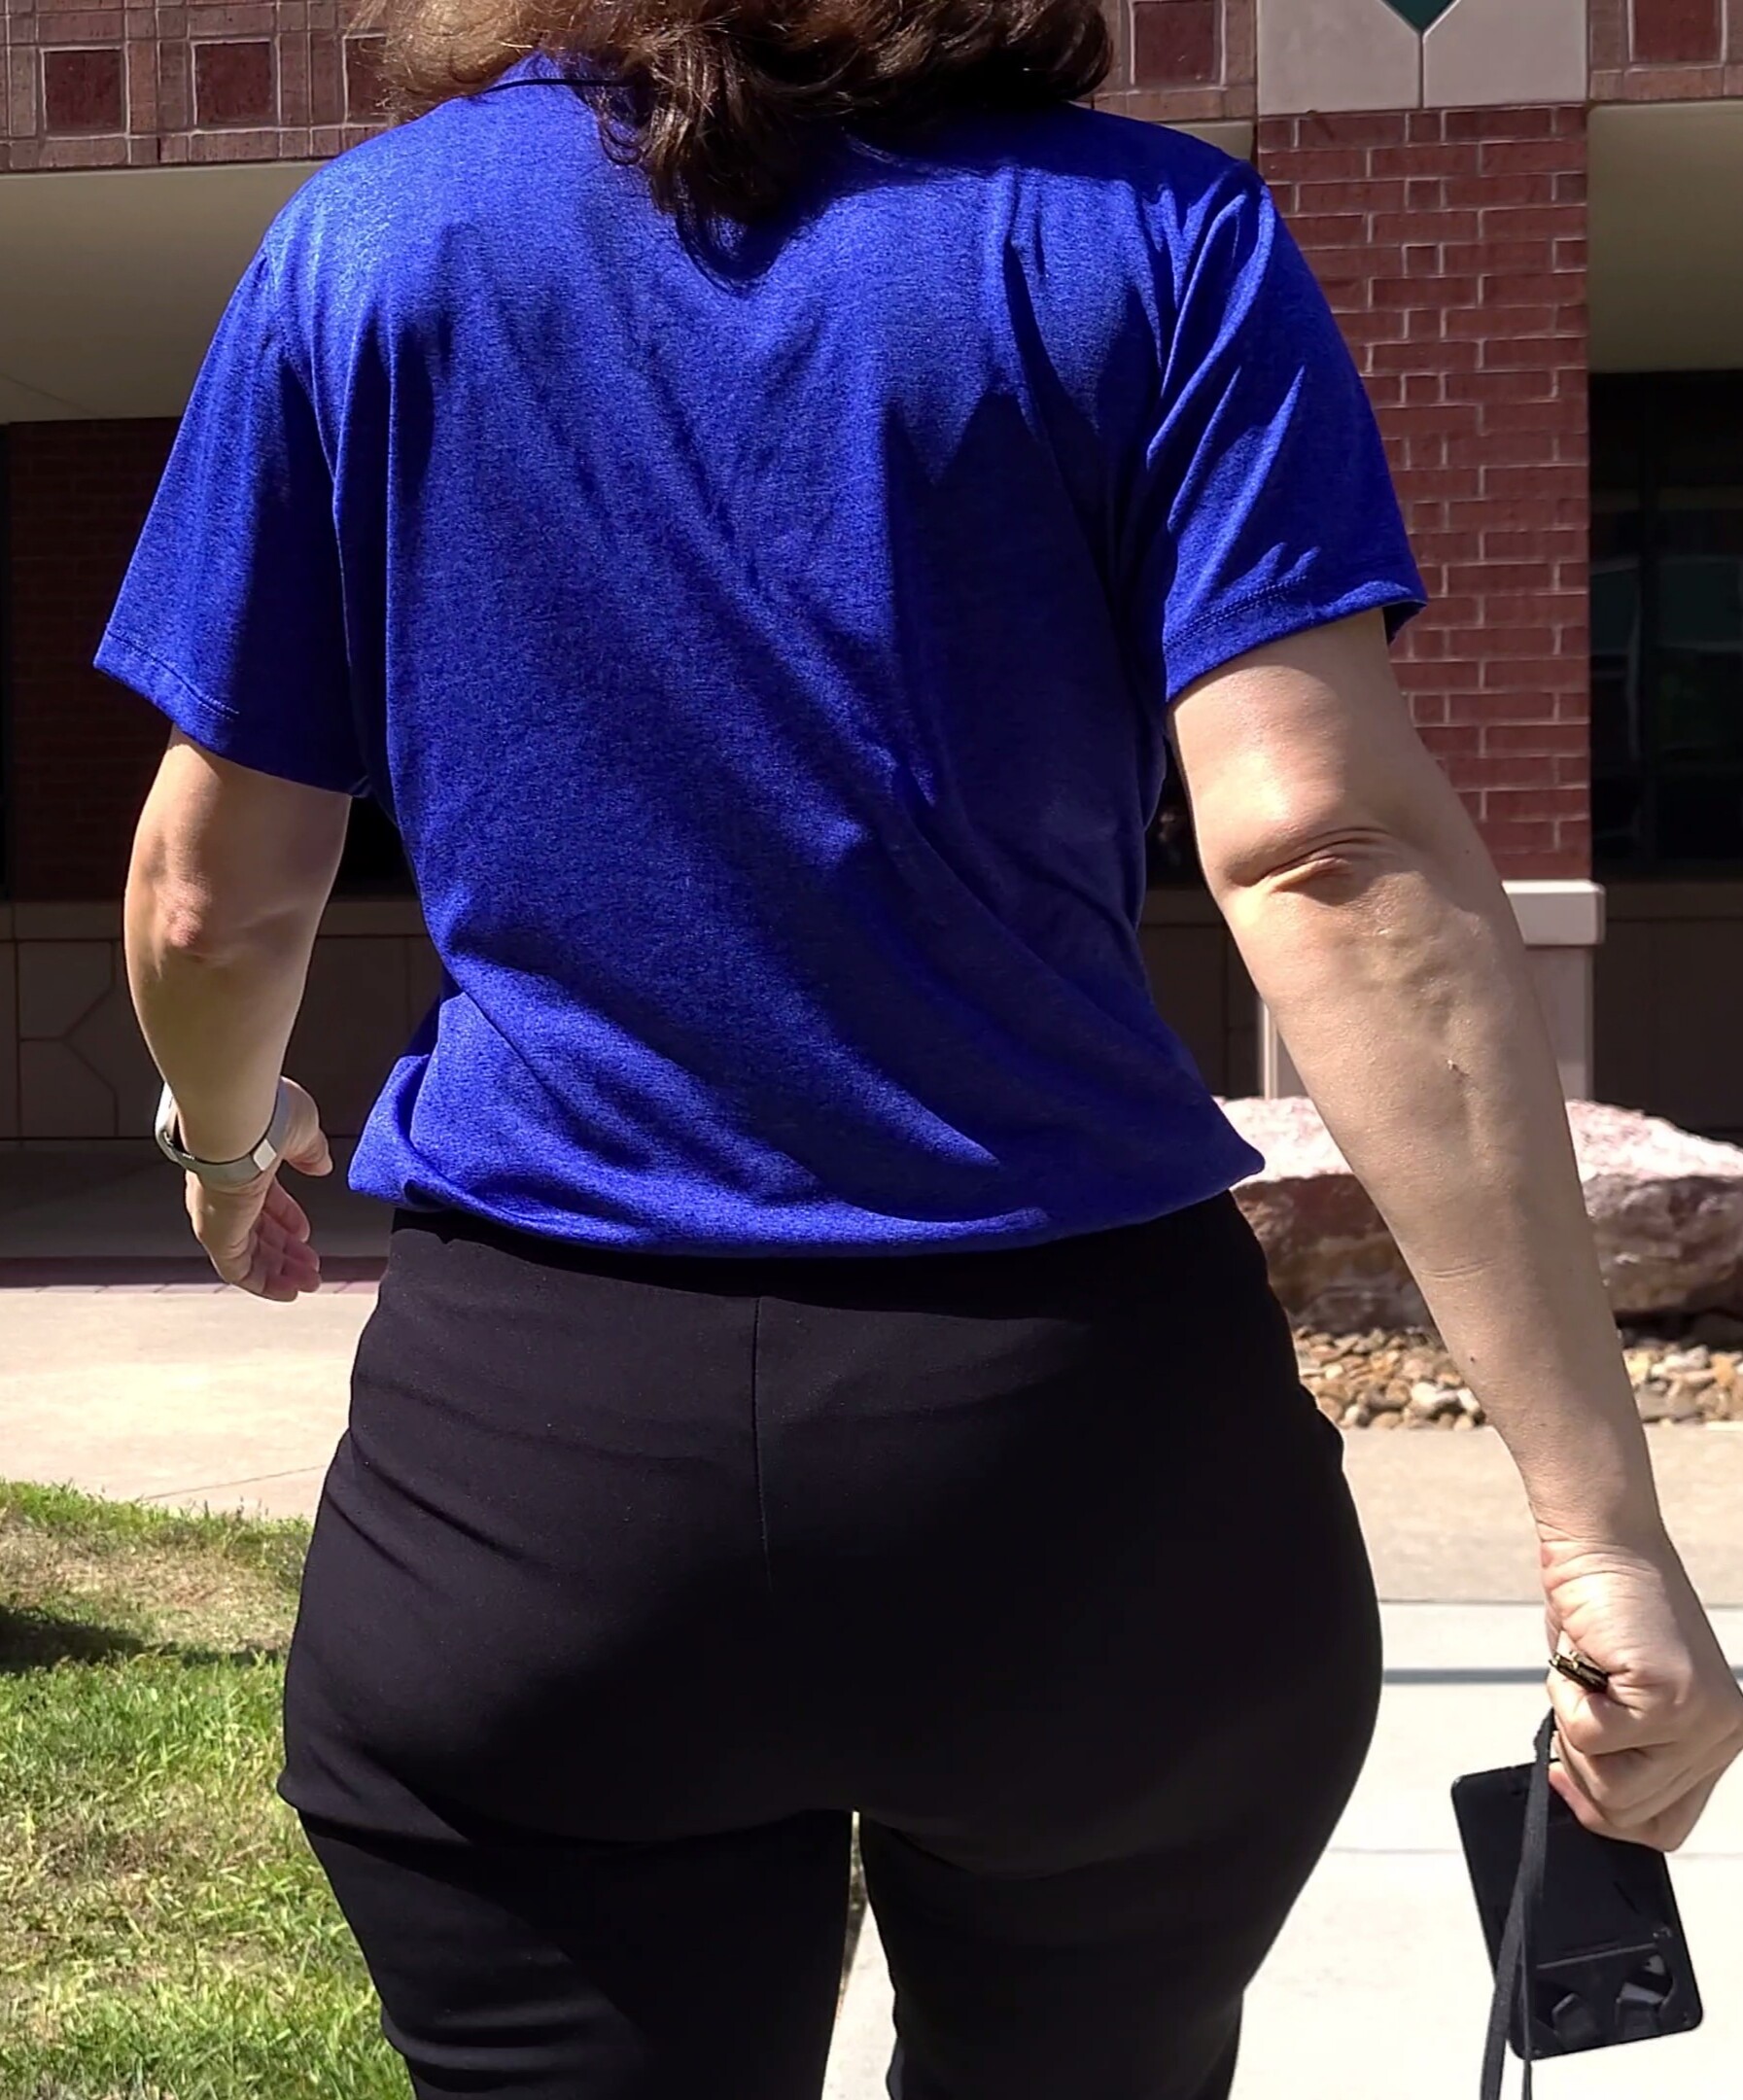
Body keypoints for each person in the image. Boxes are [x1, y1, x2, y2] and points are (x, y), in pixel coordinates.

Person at [107, 4, 1741, 2096]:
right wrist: (1599, 1531)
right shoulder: (1152, 236)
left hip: (543, 1476)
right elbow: (1326, 854)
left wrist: (225, 1141)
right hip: (1089, 1466)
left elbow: (208, 898)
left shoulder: (370, 248)